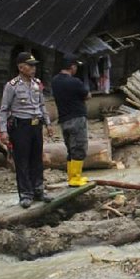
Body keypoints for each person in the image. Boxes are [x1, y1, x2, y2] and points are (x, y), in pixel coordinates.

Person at [0, 52, 54, 208]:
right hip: (20, 126)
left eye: (34, 65)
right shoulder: (12, 86)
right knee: (22, 160)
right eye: (30, 65)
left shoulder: (37, 83)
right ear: (21, 67)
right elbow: (3, 110)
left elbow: (42, 105)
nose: (33, 68)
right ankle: (25, 194)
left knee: (36, 159)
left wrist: (48, 123)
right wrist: (3, 131)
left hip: (36, 125)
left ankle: (38, 190)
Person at [51, 55, 90, 187]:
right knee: (79, 147)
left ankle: (71, 177)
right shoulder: (75, 82)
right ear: (72, 66)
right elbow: (87, 95)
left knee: (70, 148)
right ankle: (75, 178)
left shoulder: (54, 81)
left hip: (63, 119)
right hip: (77, 118)